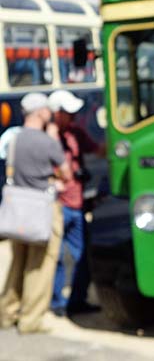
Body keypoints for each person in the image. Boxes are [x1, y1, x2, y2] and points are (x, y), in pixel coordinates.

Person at [0, 92, 71, 334]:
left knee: (17, 262)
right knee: (40, 265)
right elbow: (67, 173)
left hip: (18, 209)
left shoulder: (14, 139)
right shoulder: (47, 141)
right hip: (42, 208)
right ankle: (31, 319)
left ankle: (7, 313)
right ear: (41, 112)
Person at [48, 90, 102, 317]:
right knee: (56, 257)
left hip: (77, 204)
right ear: (56, 114)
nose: (73, 117)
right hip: (56, 205)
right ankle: (57, 302)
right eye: (68, 113)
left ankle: (78, 299)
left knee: (82, 256)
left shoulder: (75, 133)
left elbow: (99, 150)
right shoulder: (47, 139)